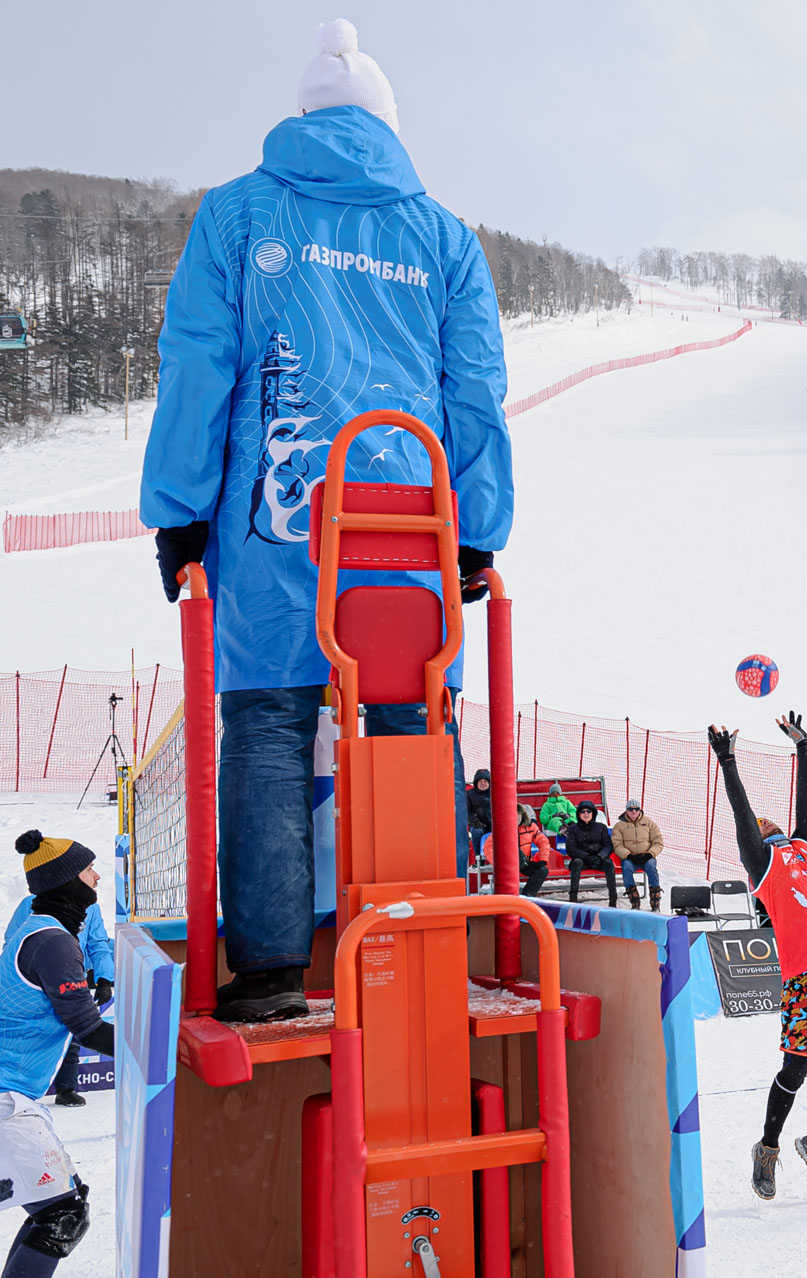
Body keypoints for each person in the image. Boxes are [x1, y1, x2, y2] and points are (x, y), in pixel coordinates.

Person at [137, 20, 511, 1023]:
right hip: (407, 531)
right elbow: (473, 388)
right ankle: (422, 944)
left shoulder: (234, 215)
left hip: (277, 524)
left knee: (267, 718)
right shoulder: (444, 237)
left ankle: (265, 970)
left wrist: (177, 513)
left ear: (303, 119)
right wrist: (476, 531)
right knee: (411, 716)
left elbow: (199, 367)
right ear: (389, 125)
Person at [709, 713, 807, 1201]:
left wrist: (804, 748)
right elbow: (739, 811)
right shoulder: (764, 864)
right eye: (760, 826)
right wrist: (728, 760)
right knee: (796, 1071)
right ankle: (767, 1149)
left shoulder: (806, 847)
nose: (765, 823)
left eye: (767, 822)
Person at [3, 832, 116, 1277]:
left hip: (15, 1096)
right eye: (90, 871)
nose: (97, 877)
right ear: (69, 880)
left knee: (59, 1209)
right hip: (7, 1099)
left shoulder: (38, 927)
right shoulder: (54, 942)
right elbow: (86, 1026)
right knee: (61, 1215)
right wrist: (153, 1052)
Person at [3, 896, 112, 1109]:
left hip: (71, 978)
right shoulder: (30, 904)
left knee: (71, 1031)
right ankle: (15, 1092)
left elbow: (98, 944)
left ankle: (66, 1088)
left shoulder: (92, 908)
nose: (95, 878)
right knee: (34, 1033)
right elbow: (12, 941)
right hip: (37, 981)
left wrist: (104, 979)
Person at [562, 803, 617, 906]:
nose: (586, 814)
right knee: (576, 863)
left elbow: (608, 845)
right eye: (582, 811)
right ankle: (573, 898)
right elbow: (571, 848)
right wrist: (585, 856)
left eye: (588, 811)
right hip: (582, 859)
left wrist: (600, 856)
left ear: (593, 813)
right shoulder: (573, 829)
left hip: (599, 859)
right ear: (579, 814)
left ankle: (613, 899)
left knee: (609, 864)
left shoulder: (601, 827)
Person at [612, 800, 663, 911]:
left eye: (636, 809)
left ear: (640, 810)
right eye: (631, 809)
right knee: (627, 868)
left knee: (651, 868)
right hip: (630, 857)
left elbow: (658, 842)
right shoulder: (619, 826)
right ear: (627, 810)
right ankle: (634, 900)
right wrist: (628, 855)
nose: (634, 812)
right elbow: (617, 845)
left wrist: (650, 854)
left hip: (647, 856)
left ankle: (655, 901)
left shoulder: (649, 823)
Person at [515, 804, 552, 896]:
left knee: (543, 870)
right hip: (507, 864)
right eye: (513, 814)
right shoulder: (501, 828)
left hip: (524, 863)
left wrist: (543, 859)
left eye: (518, 814)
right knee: (516, 850)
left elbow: (543, 842)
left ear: (522, 815)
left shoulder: (531, 827)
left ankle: (528, 895)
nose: (516, 817)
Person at [466, 769, 494, 875]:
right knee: (476, 832)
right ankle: (479, 859)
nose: (483, 784)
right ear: (476, 783)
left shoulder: (495, 793)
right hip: (479, 824)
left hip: (494, 824)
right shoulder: (469, 795)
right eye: (480, 781)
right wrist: (474, 820)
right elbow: (466, 811)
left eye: (485, 781)